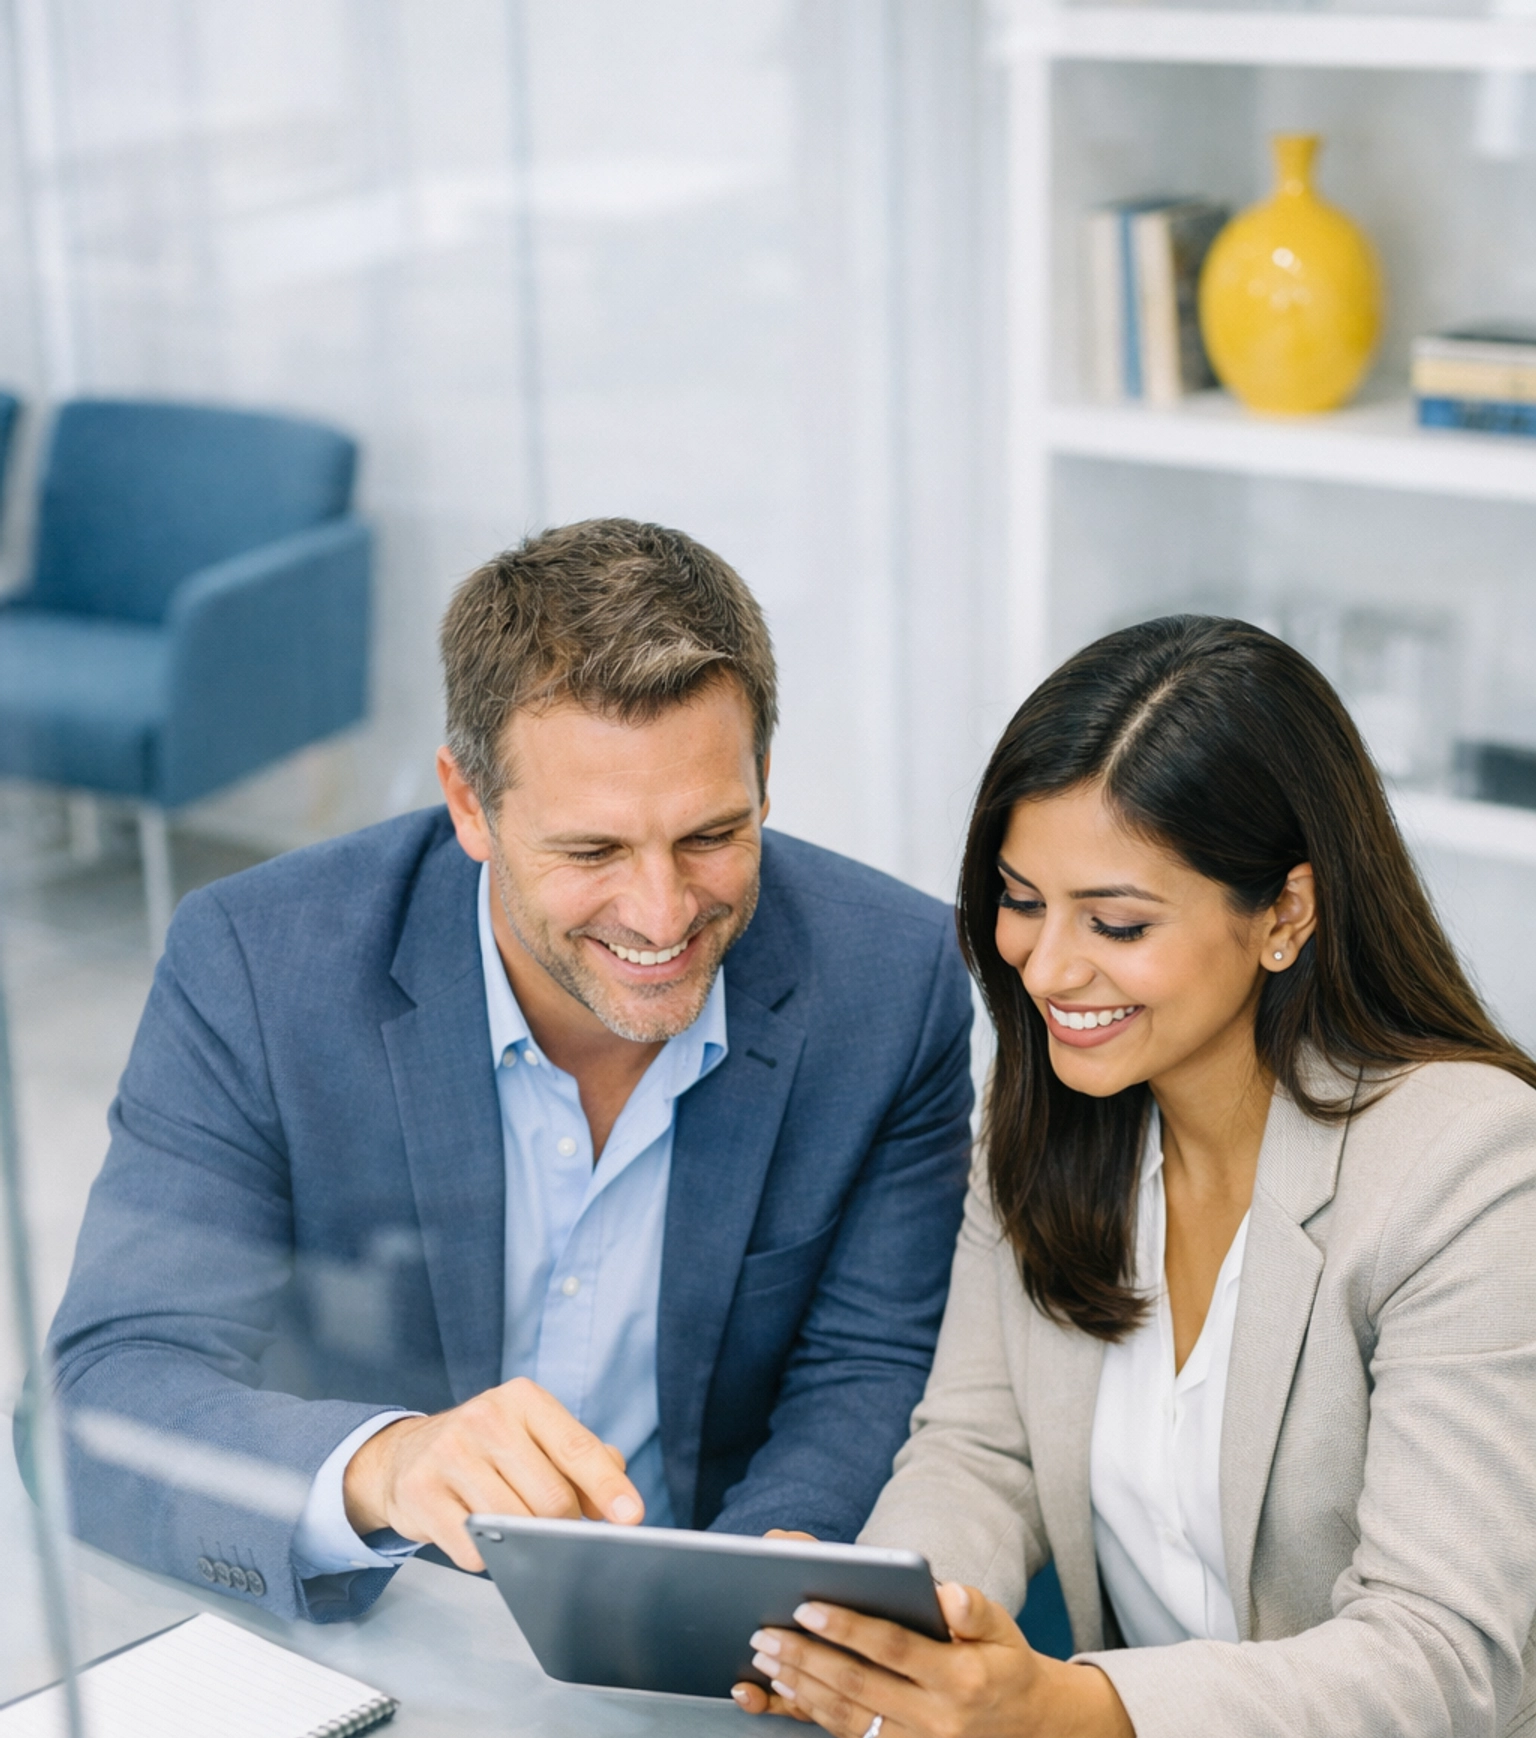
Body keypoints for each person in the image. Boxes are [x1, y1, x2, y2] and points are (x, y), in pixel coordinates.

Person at [733, 614, 1536, 1738]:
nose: (1048, 967)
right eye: (1020, 900)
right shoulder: (1057, 1121)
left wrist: (1075, 1708)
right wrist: (890, 1631)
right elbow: (977, 1453)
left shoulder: (1471, 1165)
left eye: (1115, 921)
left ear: (1284, 912)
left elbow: (1440, 1659)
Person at [41, 519, 972, 1622]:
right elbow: (100, 1397)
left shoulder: (893, 978)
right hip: (384, 1617)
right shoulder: (257, 966)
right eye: (592, 852)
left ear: (764, 779)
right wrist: (385, 1466)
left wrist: (748, 1601)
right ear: (469, 805)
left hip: (716, 1668)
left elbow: (863, 1371)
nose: (663, 914)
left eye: (711, 835)